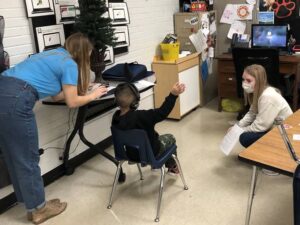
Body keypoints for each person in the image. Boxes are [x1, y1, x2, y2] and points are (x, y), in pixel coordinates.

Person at [0, 32, 108, 224]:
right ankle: (40, 210)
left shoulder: (53, 54)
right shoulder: (70, 64)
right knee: (28, 158)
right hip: (17, 99)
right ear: (84, 52)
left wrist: (84, 89)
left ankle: (31, 204)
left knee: (13, 155)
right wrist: (94, 94)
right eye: (90, 53)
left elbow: (58, 96)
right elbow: (73, 102)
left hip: (3, 90)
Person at [112, 82, 185, 174]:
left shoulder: (116, 118)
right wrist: (173, 95)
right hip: (150, 154)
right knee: (170, 137)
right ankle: (172, 168)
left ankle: (156, 165)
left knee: (152, 133)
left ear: (116, 101)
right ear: (135, 101)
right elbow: (162, 112)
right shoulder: (142, 116)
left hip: (130, 155)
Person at [237, 64, 293, 148]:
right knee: (246, 132)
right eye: (243, 79)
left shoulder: (267, 96)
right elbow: (251, 113)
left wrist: (240, 131)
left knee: (245, 138)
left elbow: (261, 126)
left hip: (285, 130)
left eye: (248, 80)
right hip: (272, 125)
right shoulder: (258, 92)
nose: (244, 83)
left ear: (259, 81)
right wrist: (237, 127)